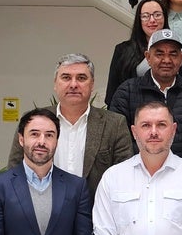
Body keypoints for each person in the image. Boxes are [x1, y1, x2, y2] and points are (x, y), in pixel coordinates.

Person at [93, 101, 182, 235]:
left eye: (161, 125)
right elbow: (103, 233)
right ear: (134, 132)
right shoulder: (113, 178)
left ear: (173, 130)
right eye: (145, 125)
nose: (153, 132)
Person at [8, 53, 133, 202]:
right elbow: (15, 171)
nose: (73, 84)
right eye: (66, 77)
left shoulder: (114, 124)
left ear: (92, 84)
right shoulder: (33, 122)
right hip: (42, 214)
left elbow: (124, 176)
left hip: (95, 217)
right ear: (55, 83)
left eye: (81, 78)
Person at [0, 108, 94, 235]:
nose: (42, 141)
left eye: (49, 135)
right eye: (34, 134)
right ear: (21, 139)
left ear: (56, 141)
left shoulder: (76, 187)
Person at [109, 29, 182, 169]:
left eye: (173, 54)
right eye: (159, 54)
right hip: (138, 176)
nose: (166, 60)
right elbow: (118, 138)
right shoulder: (127, 92)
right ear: (147, 57)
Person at [105, 0, 182, 106]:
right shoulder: (123, 50)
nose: (152, 20)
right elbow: (112, 93)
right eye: (145, 16)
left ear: (165, 17)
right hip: (134, 112)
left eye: (157, 15)